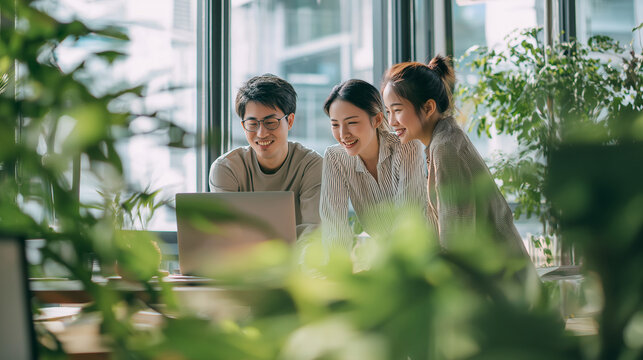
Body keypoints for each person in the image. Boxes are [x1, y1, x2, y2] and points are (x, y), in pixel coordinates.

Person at [381, 55, 530, 260]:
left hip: (499, 280)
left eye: (397, 110)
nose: (391, 121)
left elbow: (455, 239)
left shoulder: (445, 148)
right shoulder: (445, 139)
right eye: (388, 111)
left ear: (428, 108)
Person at [320, 79, 427, 254]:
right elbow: (334, 228)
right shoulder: (335, 158)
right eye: (335, 124)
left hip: (428, 252)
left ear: (377, 119)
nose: (342, 134)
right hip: (387, 261)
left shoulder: (406, 145)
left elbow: (408, 220)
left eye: (352, 122)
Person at [209, 74, 322, 237]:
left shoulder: (312, 166)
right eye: (252, 124)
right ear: (243, 125)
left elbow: (314, 234)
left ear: (290, 121)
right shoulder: (227, 169)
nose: (261, 133)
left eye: (270, 123)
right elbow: (226, 236)